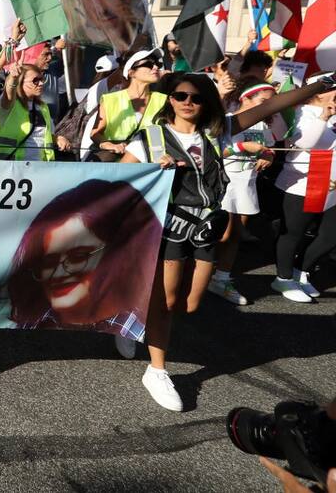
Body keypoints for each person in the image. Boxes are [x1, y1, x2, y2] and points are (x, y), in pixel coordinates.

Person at [120, 71, 332, 411]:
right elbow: (119, 179)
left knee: (190, 303)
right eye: (180, 96)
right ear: (170, 99)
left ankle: (135, 317)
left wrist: (322, 85)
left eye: (197, 97)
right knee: (168, 303)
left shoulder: (218, 132)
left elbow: (273, 105)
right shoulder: (150, 137)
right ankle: (156, 370)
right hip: (170, 226)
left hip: (207, 226)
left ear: (207, 102)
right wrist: (153, 170)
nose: (188, 103)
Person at [0, 180, 162, 339]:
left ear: (120, 254)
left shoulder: (139, 326)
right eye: (48, 262)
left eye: (78, 257)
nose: (59, 272)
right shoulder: (31, 324)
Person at [209, 78, 278, 305]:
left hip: (248, 183)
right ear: (245, 98)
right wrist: (241, 147)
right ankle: (199, 276)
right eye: (262, 101)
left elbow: (269, 150)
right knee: (223, 234)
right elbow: (212, 151)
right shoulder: (228, 121)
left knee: (236, 234)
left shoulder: (263, 126)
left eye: (271, 102)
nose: (267, 106)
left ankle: (221, 279)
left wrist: (268, 156)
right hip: (225, 183)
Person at [270, 74, 336, 303]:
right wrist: (324, 115)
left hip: (332, 182)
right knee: (294, 233)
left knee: (330, 235)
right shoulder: (299, 113)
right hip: (305, 182)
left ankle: (302, 270)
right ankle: (283, 278)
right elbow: (308, 143)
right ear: (318, 92)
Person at [0, 33, 55, 162]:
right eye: (35, 80)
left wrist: (58, 139)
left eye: (41, 79)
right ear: (21, 83)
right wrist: (13, 78)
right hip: (9, 169)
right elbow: (8, 93)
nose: (40, 83)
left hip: (39, 170)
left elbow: (45, 137)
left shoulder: (43, 107)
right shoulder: (9, 104)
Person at [92, 48, 166, 161]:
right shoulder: (110, 100)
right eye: (148, 64)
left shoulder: (164, 100)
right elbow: (95, 133)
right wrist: (108, 145)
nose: (155, 67)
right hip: (118, 165)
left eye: (158, 64)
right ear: (131, 72)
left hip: (152, 166)